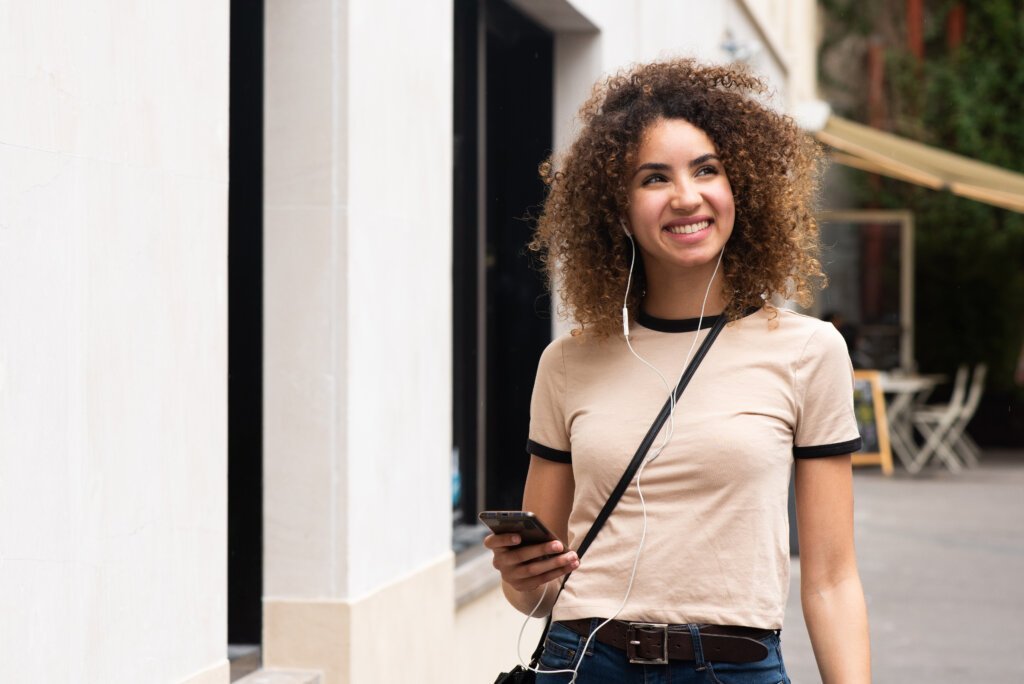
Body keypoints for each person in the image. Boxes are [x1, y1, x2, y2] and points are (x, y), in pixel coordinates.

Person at [484, 59, 871, 683]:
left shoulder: (808, 350)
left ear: (741, 187)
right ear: (618, 208)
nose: (686, 196)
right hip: (585, 663)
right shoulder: (567, 363)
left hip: (735, 668)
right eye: (654, 178)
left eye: (707, 170)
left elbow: (831, 580)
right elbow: (540, 595)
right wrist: (521, 577)